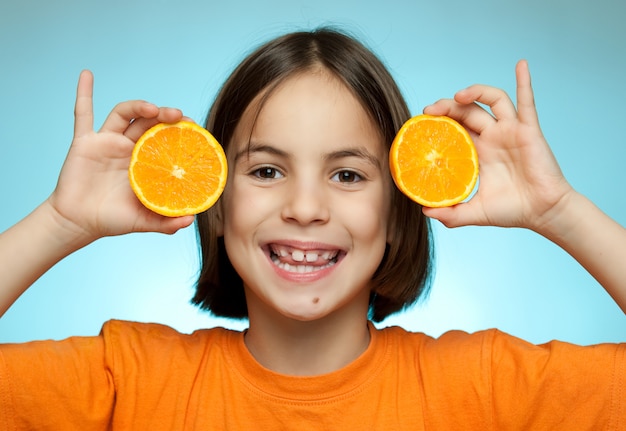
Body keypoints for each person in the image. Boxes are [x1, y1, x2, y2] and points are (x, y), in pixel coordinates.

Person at [0, 28, 624, 430]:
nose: (305, 207)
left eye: (348, 176)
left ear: (397, 209)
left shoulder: (483, 389)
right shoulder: (128, 381)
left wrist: (557, 210)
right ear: (218, 202)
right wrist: (60, 223)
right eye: (267, 170)